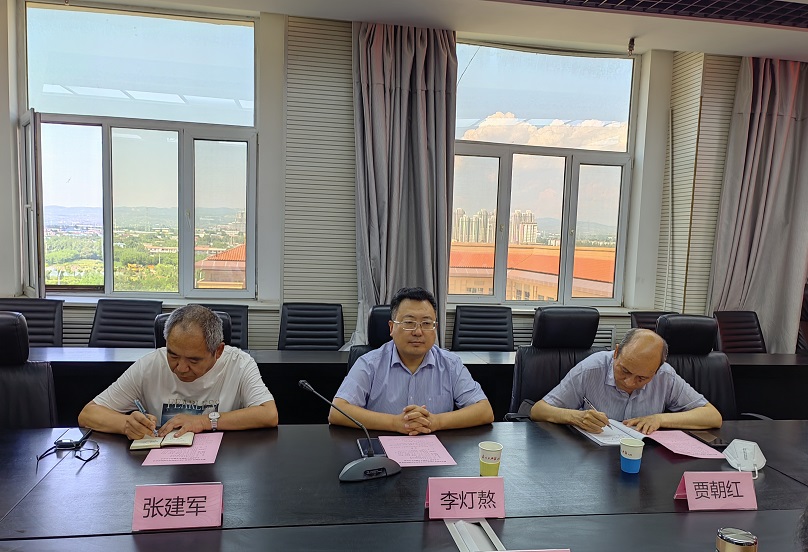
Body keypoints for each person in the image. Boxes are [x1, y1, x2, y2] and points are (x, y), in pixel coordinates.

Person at [79, 304, 278, 439]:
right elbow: (88, 414)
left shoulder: (239, 364)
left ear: (218, 351)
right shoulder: (151, 364)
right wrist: (126, 424)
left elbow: (268, 414)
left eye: (194, 360)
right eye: (173, 355)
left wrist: (204, 421)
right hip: (159, 468)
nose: (181, 368)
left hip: (222, 463)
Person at [329, 287, 494, 435]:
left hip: (436, 452)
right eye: (409, 323)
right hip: (381, 449)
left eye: (426, 323)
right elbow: (337, 411)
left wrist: (436, 422)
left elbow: (484, 411)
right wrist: (395, 423)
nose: (418, 332)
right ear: (392, 327)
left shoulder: (450, 364)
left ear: (435, 328)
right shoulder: (369, 363)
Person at [530, 328, 722, 434]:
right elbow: (538, 410)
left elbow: (712, 416)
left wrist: (659, 419)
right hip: (592, 461)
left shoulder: (665, 375)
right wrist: (576, 417)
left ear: (657, 370)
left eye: (642, 378)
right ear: (616, 353)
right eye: (624, 370)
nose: (629, 382)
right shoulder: (590, 369)